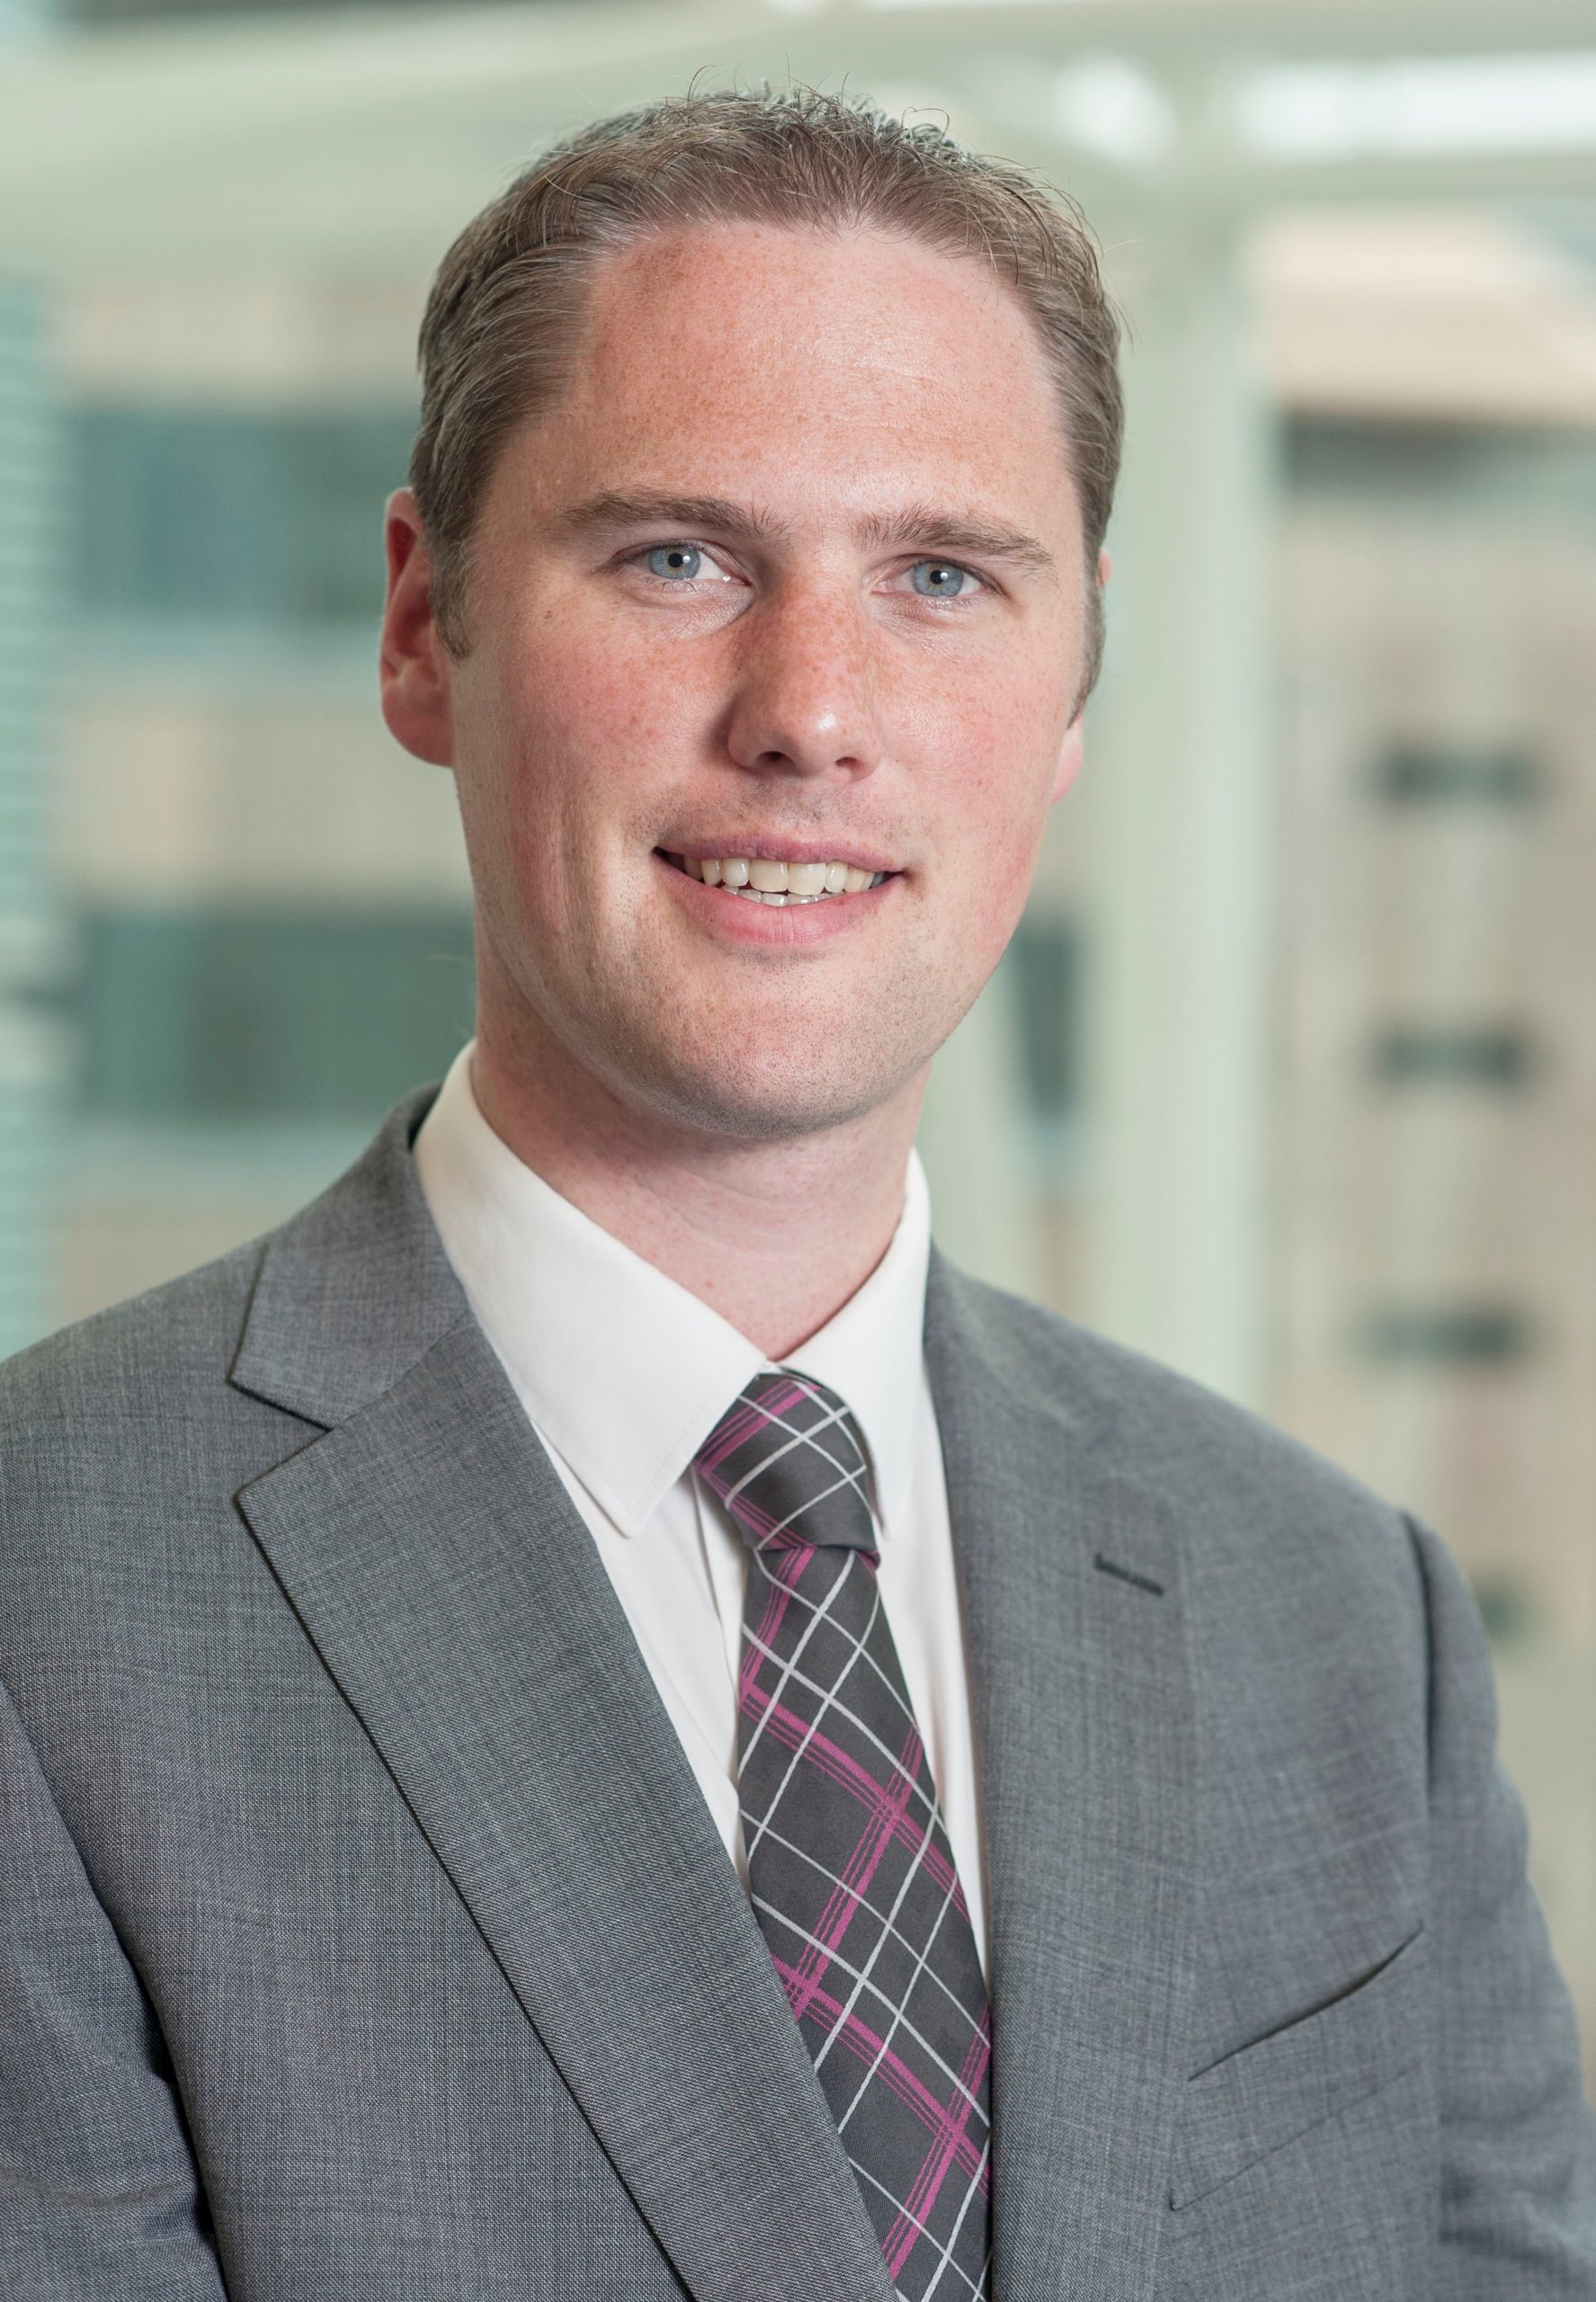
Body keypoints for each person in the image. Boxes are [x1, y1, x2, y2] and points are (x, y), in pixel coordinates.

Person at [1, 84, 1592, 2302]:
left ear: (1075, 679)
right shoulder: (48, 1598)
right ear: (423, 625)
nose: (813, 711)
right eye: (680, 557)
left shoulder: (1339, 1619)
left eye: (941, 576)